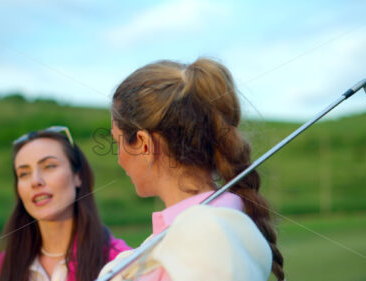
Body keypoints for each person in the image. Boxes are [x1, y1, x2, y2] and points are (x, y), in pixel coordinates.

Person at [99, 58, 285, 280]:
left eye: (118, 142)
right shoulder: (203, 230)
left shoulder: (204, 235)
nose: (119, 159)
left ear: (144, 144)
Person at [0, 126, 131, 281]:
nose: (35, 181)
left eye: (49, 166)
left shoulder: (122, 263)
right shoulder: (1, 269)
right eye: (24, 173)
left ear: (78, 176)